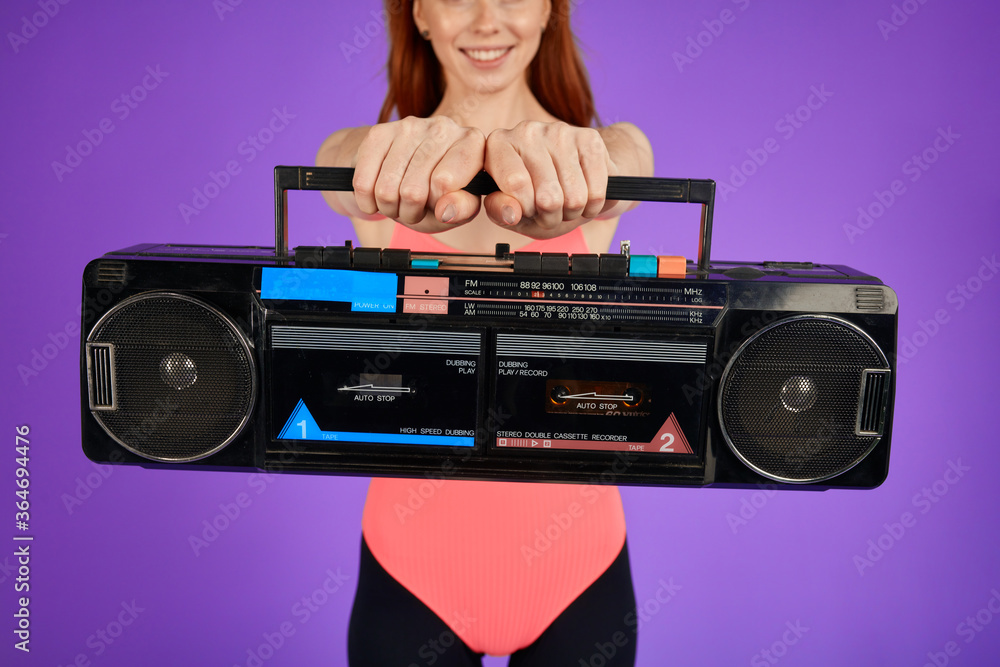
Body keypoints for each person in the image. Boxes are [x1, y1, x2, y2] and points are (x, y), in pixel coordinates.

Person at [317, 1, 654, 664]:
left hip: (578, 567)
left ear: (551, 10)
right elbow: (337, 161)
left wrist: (594, 155)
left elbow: (630, 157)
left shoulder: (603, 155)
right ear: (419, 14)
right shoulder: (378, 165)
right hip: (411, 568)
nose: (485, 20)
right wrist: (372, 152)